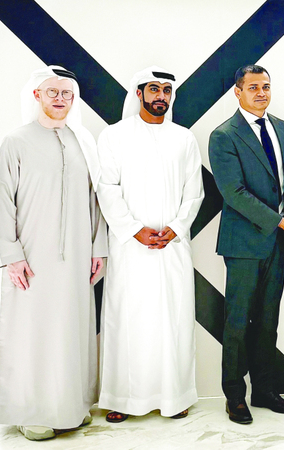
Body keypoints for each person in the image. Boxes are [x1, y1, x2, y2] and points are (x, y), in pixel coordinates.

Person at [0, 65, 105, 441]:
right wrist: (12, 254)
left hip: (77, 257)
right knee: (32, 333)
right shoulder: (16, 141)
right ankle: (32, 412)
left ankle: (71, 406)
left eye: (66, 93)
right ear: (37, 95)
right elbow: (2, 200)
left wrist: (99, 249)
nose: (60, 99)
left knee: (71, 332)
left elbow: (95, 200)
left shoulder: (82, 141)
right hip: (32, 258)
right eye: (52, 92)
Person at [97, 66, 204, 423]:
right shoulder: (113, 136)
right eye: (154, 89)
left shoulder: (184, 138)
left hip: (172, 247)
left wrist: (175, 228)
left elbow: (194, 192)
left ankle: (175, 396)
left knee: (174, 321)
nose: (161, 96)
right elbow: (107, 189)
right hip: (130, 247)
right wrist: (133, 229)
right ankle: (122, 399)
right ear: (139, 93)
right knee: (128, 321)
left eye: (166, 90)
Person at [209, 65, 284, 425]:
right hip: (244, 244)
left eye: (266, 86)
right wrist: (281, 222)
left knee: (268, 321)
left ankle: (264, 390)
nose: (261, 93)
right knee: (237, 322)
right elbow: (234, 192)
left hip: (277, 243)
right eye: (253, 87)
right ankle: (234, 396)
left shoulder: (282, 127)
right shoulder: (223, 136)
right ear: (238, 92)